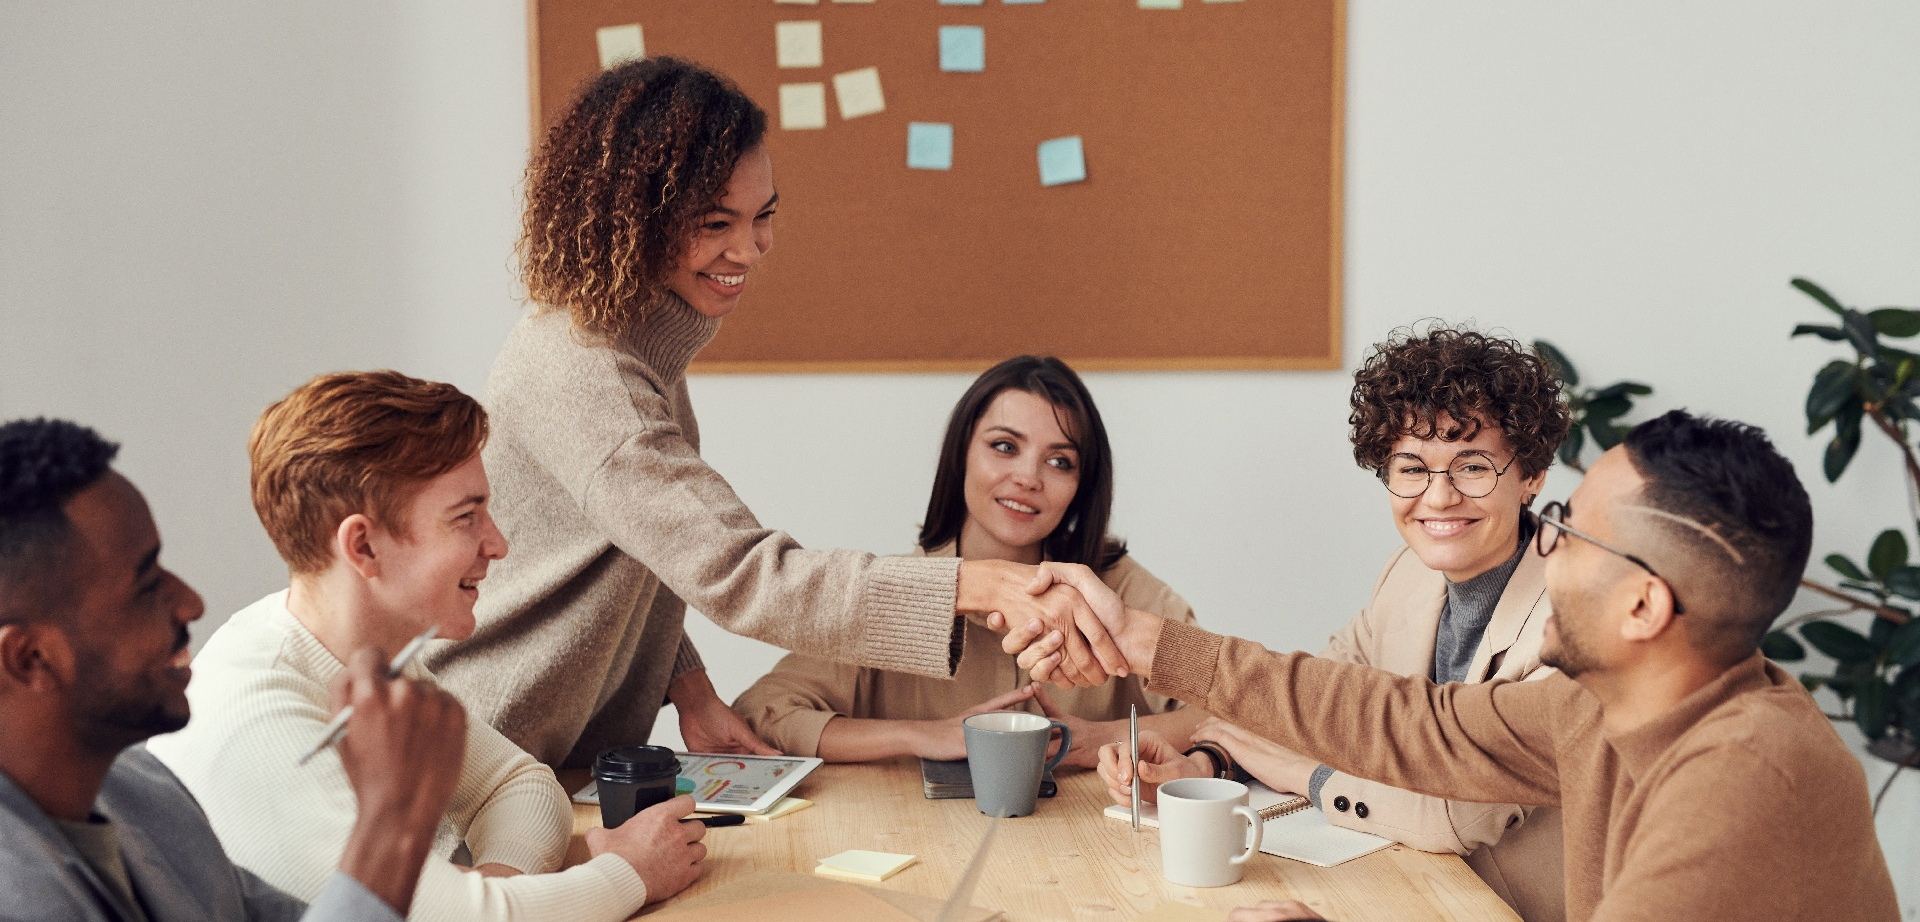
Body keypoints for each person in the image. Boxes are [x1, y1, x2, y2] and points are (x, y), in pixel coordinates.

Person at [425, 57, 1119, 770]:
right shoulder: (591, 375)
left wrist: (689, 687)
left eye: (764, 217)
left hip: (550, 758)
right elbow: (745, 573)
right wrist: (969, 584)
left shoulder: (629, 345)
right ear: (635, 219)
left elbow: (642, 548)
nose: (749, 248)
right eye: (716, 222)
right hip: (485, 756)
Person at [1017, 410, 1902, 922]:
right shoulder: (1597, 707)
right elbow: (1408, 722)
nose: (1543, 549)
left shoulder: (1747, 773)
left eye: (1567, 530)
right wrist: (1148, 642)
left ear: (1644, 607)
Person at [147, 372, 707, 922]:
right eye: (466, 517)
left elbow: (520, 784)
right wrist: (628, 872)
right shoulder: (261, 719)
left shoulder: (368, 654)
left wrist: (493, 891)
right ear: (362, 546)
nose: (499, 544)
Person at [1098, 327, 1569, 922]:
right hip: (1409, 888)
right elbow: (1318, 702)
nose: (1439, 496)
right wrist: (1210, 763)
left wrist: (1304, 775)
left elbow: (1455, 814)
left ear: (1531, 474)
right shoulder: (1408, 574)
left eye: (1472, 467)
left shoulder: (1570, 618)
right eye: (1412, 468)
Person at [0, 417, 466, 921]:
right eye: (146, 584)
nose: (192, 603)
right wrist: (392, 821)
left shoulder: (144, 792)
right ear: (31, 660)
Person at [734, 356, 1202, 766]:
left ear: (1083, 487)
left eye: (1059, 462)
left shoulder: (1122, 591)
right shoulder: (895, 593)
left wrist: (1109, 736)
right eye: (1004, 447)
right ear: (961, 454)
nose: (1027, 477)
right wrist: (922, 735)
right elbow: (762, 712)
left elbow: (1235, 712)